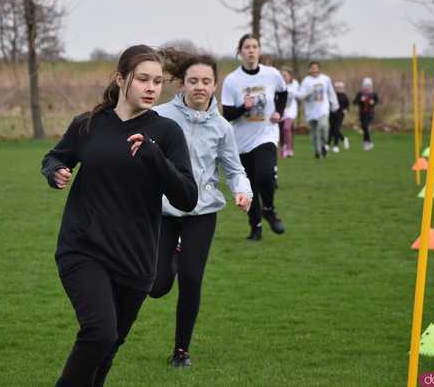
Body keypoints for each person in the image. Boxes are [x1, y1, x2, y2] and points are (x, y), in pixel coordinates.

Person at [41, 45, 198, 387]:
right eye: (142, 79)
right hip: (83, 249)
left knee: (109, 346)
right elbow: (54, 158)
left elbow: (187, 198)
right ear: (120, 79)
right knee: (98, 333)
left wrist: (155, 158)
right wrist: (55, 172)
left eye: (157, 81)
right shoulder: (88, 125)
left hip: (136, 258)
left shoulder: (167, 133)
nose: (151, 88)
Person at [149, 51, 253, 368]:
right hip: (164, 211)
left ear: (215, 85)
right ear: (182, 84)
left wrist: (242, 191)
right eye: (193, 81)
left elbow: (234, 169)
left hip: (201, 213)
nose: (199, 87)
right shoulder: (160, 117)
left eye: (206, 81)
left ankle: (181, 350)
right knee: (157, 286)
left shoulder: (222, 127)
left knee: (192, 279)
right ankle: (172, 256)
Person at [221, 33, 287, 241]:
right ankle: (255, 227)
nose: (251, 50)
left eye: (255, 46)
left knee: (266, 175)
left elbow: (283, 93)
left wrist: (279, 112)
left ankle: (269, 209)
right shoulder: (232, 80)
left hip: (266, 135)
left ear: (259, 51)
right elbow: (228, 114)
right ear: (240, 52)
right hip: (241, 142)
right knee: (248, 189)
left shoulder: (272, 74)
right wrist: (244, 107)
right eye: (247, 47)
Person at [296, 61, 339, 159]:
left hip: (323, 108)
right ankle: (317, 151)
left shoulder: (325, 79)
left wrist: (335, 104)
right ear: (309, 70)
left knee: (323, 126)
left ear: (319, 69)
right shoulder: (306, 81)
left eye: (316, 68)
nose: (314, 70)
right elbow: (300, 95)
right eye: (312, 68)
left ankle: (324, 144)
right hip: (311, 110)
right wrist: (308, 93)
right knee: (314, 132)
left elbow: (331, 92)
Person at [353, 77, 380, 150]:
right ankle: (366, 143)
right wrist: (360, 100)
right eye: (366, 86)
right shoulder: (360, 93)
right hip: (362, 113)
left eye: (369, 86)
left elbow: (378, 101)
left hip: (370, 113)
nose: (367, 87)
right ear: (363, 86)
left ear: (371, 86)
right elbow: (354, 102)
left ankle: (369, 142)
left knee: (365, 127)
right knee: (365, 128)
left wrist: (373, 102)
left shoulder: (373, 94)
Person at [280, 67, 299, 158]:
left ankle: (289, 149)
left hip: (291, 111)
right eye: (282, 75)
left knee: (286, 128)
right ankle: (283, 149)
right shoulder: (279, 85)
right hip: (280, 112)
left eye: (285, 75)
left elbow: (299, 94)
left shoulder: (295, 84)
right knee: (281, 132)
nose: (284, 77)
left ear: (290, 76)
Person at [328, 80, 350, 152]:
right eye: (337, 88)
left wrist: (346, 110)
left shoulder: (344, 96)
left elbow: (347, 106)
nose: (339, 89)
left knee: (336, 128)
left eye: (340, 88)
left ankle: (336, 146)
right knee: (331, 129)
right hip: (332, 114)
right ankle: (342, 139)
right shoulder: (332, 95)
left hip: (340, 115)